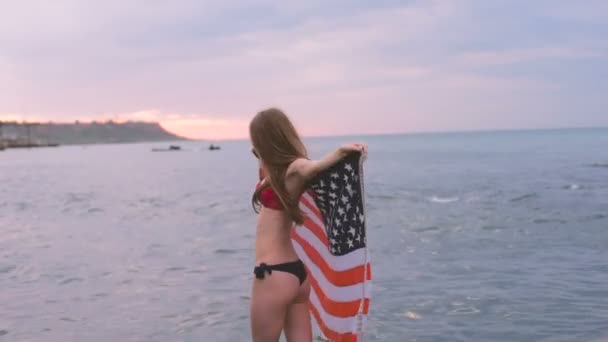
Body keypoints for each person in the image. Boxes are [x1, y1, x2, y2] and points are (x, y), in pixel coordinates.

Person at [249, 108, 367, 342]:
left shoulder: (293, 168)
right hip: (296, 276)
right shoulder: (275, 171)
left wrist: (343, 151)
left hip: (273, 275)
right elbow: (268, 165)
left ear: (266, 139)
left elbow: (311, 167)